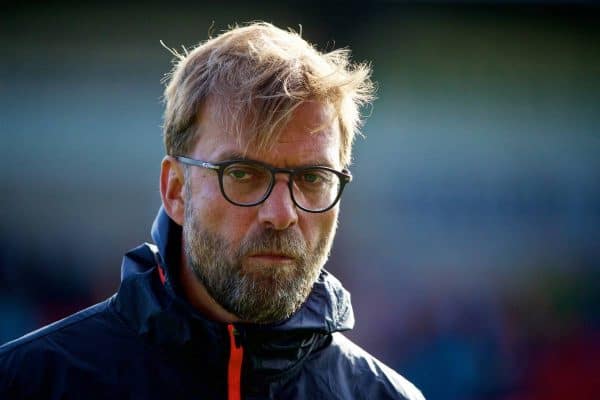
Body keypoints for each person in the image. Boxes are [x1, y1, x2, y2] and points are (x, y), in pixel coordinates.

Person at [0, 22, 424, 399]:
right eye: (243, 174)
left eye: (312, 178)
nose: (281, 214)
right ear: (176, 190)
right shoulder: (30, 382)